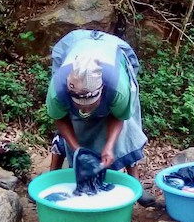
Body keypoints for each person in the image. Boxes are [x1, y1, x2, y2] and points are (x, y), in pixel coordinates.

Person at [45, 29, 157, 207]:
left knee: (127, 130)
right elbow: (60, 119)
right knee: (74, 130)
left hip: (110, 51)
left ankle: (136, 185)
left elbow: (120, 116)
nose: (86, 110)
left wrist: (109, 146)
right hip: (76, 45)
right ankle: (52, 180)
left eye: (91, 104)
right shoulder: (58, 91)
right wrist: (78, 149)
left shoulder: (117, 87)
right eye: (80, 105)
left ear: (102, 91)